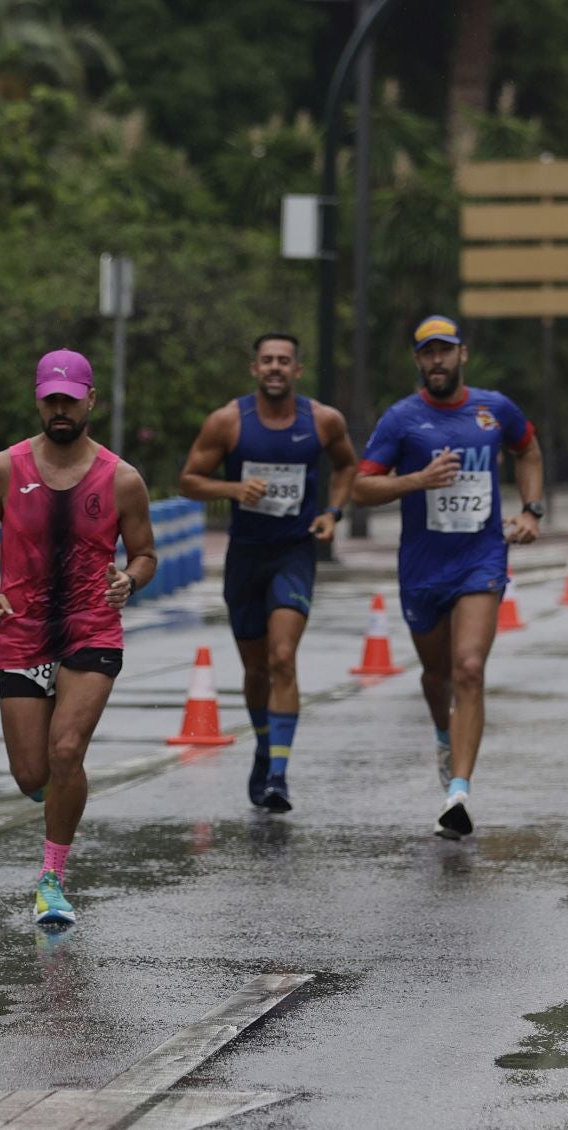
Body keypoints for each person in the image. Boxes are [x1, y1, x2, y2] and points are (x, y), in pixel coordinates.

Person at [0, 349, 157, 927]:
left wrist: (129, 579)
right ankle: (62, 805)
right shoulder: (5, 468)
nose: (60, 408)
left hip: (92, 630)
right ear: (38, 399)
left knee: (66, 750)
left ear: (91, 400)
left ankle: (52, 879)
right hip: (22, 632)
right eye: (51, 398)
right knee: (34, 775)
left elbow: (145, 554)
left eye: (71, 399)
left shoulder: (122, 479)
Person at [352, 315, 542, 838]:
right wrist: (417, 479)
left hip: (481, 559)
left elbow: (528, 448)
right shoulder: (401, 419)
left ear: (463, 355)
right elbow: (360, 488)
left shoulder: (494, 410)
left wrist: (532, 510)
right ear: (418, 361)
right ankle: (443, 733)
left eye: (446, 351)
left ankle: (458, 791)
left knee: (469, 668)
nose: (437, 360)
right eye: (427, 352)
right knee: (436, 676)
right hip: (422, 567)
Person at [179, 333, 357, 813]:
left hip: (294, 553)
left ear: (298, 370)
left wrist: (333, 514)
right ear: (254, 369)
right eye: (267, 361)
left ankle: (278, 774)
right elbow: (189, 480)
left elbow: (346, 467)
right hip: (246, 556)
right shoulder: (228, 421)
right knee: (255, 668)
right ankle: (263, 745)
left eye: (284, 361)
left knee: (282, 657)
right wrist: (234, 490)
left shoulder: (322, 420)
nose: (275, 367)